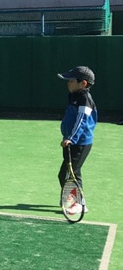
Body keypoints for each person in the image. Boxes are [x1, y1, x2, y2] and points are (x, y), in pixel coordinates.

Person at [57, 66, 97, 213]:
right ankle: (72, 199)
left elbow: (82, 121)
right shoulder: (74, 96)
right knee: (69, 173)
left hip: (80, 143)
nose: (68, 83)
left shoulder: (84, 99)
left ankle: (78, 203)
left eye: (71, 80)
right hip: (70, 141)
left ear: (83, 83)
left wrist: (71, 139)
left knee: (69, 173)